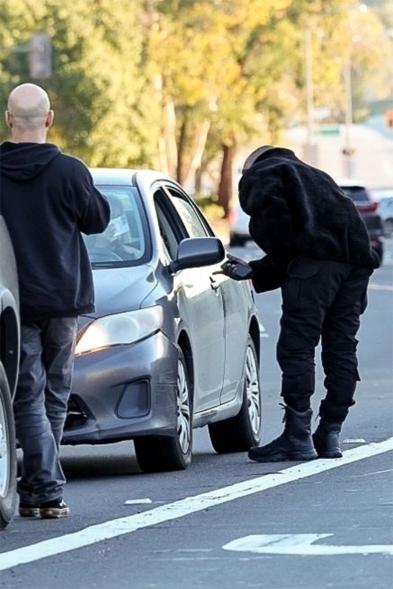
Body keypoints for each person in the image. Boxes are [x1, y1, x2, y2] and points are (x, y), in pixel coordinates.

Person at [221, 146, 380, 463]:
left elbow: (285, 239)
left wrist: (262, 263)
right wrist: (260, 270)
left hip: (316, 266)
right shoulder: (318, 177)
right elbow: (303, 238)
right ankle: (330, 432)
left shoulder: (267, 172)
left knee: (297, 345)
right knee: (341, 347)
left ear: (252, 166)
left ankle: (297, 435)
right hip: (355, 265)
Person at [0, 83, 110, 517]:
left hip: (13, 299)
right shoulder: (70, 172)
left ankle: (40, 486)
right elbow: (97, 219)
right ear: (49, 119)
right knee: (55, 393)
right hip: (64, 298)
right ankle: (44, 489)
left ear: (9, 119)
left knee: (26, 394)